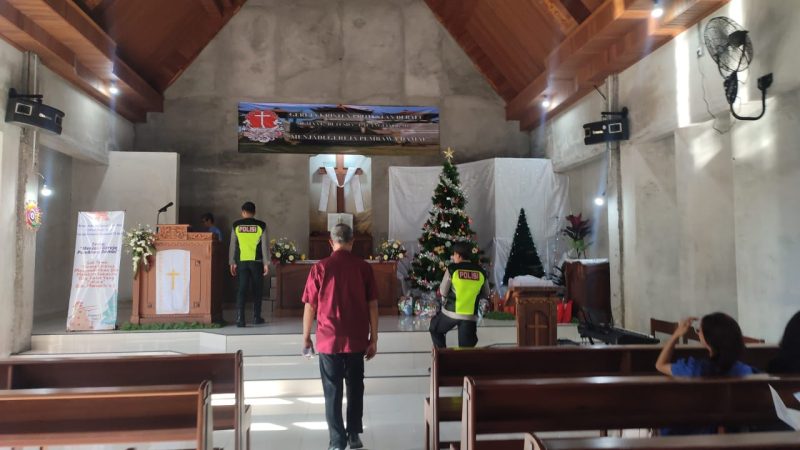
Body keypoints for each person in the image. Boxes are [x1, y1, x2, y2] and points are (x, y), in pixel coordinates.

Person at [301, 224, 378, 450]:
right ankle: (353, 435)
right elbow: (373, 305)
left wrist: (306, 337)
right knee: (355, 387)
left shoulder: (320, 267)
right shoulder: (363, 267)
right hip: (356, 338)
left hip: (329, 339)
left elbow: (310, 306)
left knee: (332, 390)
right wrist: (374, 338)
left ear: (330, 242)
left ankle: (336, 441)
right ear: (352, 241)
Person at [655, 312, 754, 435]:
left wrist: (676, 334)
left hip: (695, 435)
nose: (698, 333)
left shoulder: (693, 368)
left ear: (708, 340)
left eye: (698, 331)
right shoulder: (745, 371)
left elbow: (660, 365)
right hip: (733, 435)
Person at [429, 242, 490, 348]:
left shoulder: (453, 269)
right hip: (470, 316)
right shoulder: (480, 271)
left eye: (454, 254)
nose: (453, 257)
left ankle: (442, 356)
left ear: (458, 255)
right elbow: (486, 293)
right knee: (466, 349)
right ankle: (462, 359)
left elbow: (443, 291)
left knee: (435, 328)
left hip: (451, 313)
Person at [229, 201, 269, 327]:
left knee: (242, 289)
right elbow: (264, 246)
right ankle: (257, 317)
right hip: (256, 262)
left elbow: (233, 245)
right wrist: (266, 263)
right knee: (257, 289)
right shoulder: (261, 225)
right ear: (254, 212)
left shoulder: (236, 225)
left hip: (241, 262)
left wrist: (232, 262)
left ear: (243, 212)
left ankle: (240, 319)